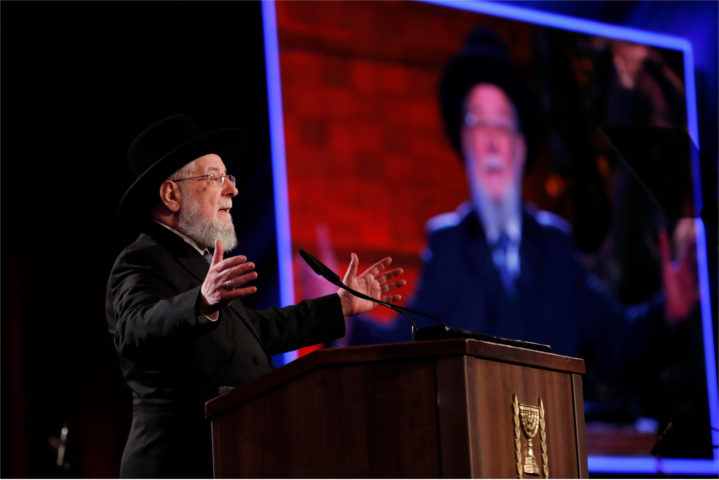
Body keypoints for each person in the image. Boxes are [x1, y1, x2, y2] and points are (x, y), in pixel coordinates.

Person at [347, 27, 698, 384]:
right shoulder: (449, 244)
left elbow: (615, 341)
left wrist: (668, 312)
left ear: (521, 146)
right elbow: (403, 347)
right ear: (465, 146)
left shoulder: (556, 246)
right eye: (477, 123)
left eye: (503, 123)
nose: (492, 142)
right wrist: (344, 320)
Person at [106, 114, 405, 478]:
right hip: (180, 463)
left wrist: (340, 306)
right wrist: (200, 303)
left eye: (228, 177)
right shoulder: (143, 259)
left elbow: (255, 331)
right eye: (214, 178)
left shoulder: (198, 263)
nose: (231, 189)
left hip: (234, 453)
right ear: (171, 194)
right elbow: (135, 329)